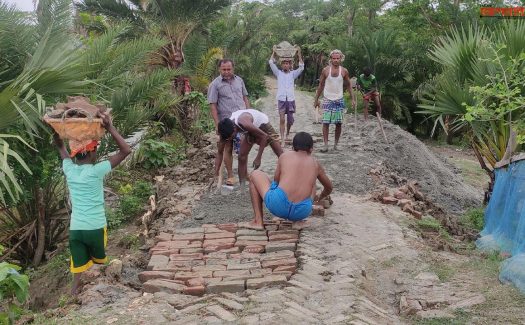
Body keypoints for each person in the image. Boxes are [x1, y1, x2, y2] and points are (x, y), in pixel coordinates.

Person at [52, 112, 131, 296]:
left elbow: (61, 149)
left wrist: (57, 133)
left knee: (78, 274)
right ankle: (98, 302)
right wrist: (110, 127)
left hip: (76, 230)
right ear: (93, 151)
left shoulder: (70, 170)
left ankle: (71, 304)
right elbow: (126, 150)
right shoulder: (97, 171)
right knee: (100, 268)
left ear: (76, 155)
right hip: (95, 228)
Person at [247, 132, 333, 229]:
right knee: (312, 183)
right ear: (311, 149)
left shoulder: (284, 156)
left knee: (255, 174)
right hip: (301, 211)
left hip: (278, 206)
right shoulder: (316, 164)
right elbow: (329, 187)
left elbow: (276, 180)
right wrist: (320, 197)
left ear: (293, 148)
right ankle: (298, 221)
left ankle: (258, 221)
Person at [208, 59, 251, 186]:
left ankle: (244, 173)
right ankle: (231, 175)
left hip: (243, 120)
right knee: (228, 147)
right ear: (219, 70)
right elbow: (213, 106)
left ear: (233, 68)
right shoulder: (215, 85)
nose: (226, 72)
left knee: (244, 147)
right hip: (227, 122)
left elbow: (245, 98)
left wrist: (249, 113)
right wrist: (217, 125)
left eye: (229, 69)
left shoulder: (239, 80)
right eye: (224, 69)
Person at [216, 109, 283, 186]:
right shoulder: (225, 131)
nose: (230, 139)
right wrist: (216, 173)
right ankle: (242, 186)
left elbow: (264, 136)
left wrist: (258, 158)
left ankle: (287, 175)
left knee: (280, 154)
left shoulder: (244, 123)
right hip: (249, 130)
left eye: (231, 137)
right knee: (241, 157)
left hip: (263, 125)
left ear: (234, 129)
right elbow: (219, 153)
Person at [314, 49, 356, 152]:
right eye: (334, 58)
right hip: (327, 99)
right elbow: (321, 85)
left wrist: (353, 99)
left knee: (338, 123)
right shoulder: (325, 70)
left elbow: (349, 85)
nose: (336, 60)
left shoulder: (344, 71)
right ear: (331, 59)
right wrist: (316, 99)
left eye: (338, 58)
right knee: (326, 122)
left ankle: (336, 144)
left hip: (339, 99)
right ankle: (326, 145)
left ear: (341, 59)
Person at [268, 48, 304, 146]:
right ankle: (283, 138)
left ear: (290, 65)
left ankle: (288, 132)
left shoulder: (293, 74)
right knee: (282, 119)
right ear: (281, 65)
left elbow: (301, 67)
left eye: (287, 63)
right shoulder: (278, 73)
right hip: (281, 99)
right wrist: (274, 52)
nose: (285, 65)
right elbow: (271, 62)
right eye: (284, 63)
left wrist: (299, 54)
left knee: (290, 120)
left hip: (291, 100)